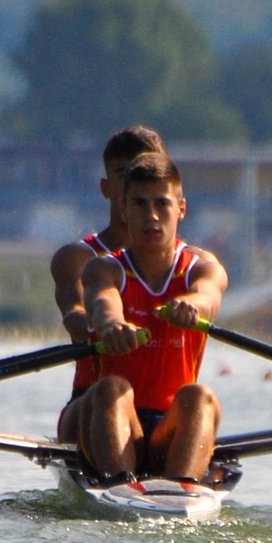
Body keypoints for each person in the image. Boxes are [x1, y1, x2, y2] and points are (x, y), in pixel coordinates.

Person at [72, 152, 228, 484]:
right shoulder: (104, 268)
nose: (151, 216)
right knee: (111, 388)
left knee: (200, 397)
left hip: (170, 430)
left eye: (162, 204)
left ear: (181, 209)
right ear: (124, 211)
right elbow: (103, 301)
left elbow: (209, 297)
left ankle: (181, 489)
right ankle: (120, 486)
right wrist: (112, 324)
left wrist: (192, 306)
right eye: (140, 204)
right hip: (110, 417)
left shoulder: (201, 268)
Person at [51, 125, 167, 441]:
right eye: (124, 174)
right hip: (93, 407)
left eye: (146, 171)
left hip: (161, 413)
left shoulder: (187, 264)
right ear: (106, 187)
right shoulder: (76, 257)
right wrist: (105, 325)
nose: (136, 181)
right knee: (109, 394)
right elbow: (75, 314)